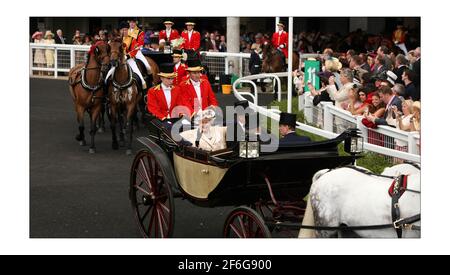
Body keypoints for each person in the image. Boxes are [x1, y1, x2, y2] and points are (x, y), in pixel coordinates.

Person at [119, 20, 150, 89]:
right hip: (119, 59)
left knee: (143, 70)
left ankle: (145, 85)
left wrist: (127, 56)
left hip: (130, 57)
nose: (124, 31)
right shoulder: (117, 39)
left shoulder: (134, 37)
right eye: (122, 30)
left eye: (125, 30)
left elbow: (135, 49)